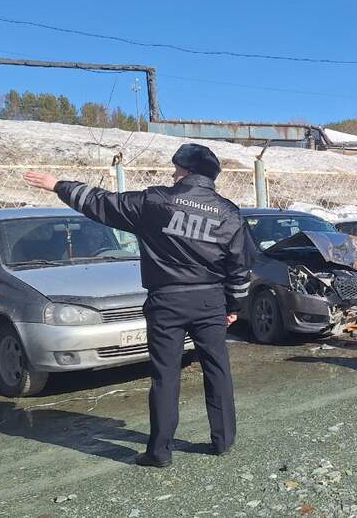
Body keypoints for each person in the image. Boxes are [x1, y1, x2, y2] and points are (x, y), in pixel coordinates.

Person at [23, 143, 252, 467]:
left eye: (176, 169)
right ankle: (223, 441)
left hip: (167, 300)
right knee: (217, 370)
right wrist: (233, 306)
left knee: (165, 375)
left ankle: (159, 452)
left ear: (186, 170)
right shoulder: (228, 213)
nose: (173, 175)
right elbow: (239, 268)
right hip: (209, 300)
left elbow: (102, 203)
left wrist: (59, 185)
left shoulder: (155, 201)